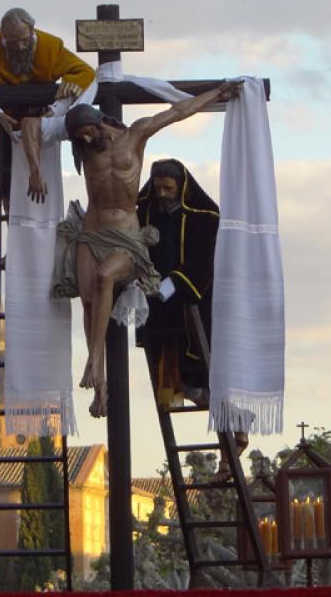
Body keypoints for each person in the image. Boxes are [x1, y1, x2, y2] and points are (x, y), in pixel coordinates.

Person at [52, 81, 242, 417]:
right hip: (92, 233)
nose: (85, 141)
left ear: (99, 123)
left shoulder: (136, 135)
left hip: (125, 235)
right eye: (79, 138)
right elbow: (34, 129)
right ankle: (100, 388)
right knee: (88, 301)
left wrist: (218, 93)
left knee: (104, 277)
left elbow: (178, 112)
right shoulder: (84, 148)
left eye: (87, 133)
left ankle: (93, 360)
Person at [135, 159, 248, 471]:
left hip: (192, 307)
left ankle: (234, 430)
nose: (162, 194)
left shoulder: (205, 216)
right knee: (174, 381)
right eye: (158, 187)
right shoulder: (144, 211)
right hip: (157, 312)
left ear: (182, 186)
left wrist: (169, 286)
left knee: (200, 377)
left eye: (168, 188)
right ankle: (237, 423)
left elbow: (203, 261)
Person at [0, 8, 96, 205]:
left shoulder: (51, 46)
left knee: (48, 177)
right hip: (10, 123)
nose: (20, 47)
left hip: (44, 120)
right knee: (8, 173)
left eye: (24, 40)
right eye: (13, 42)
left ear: (32, 30)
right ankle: (8, 204)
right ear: (2, 35)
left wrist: (56, 110)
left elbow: (84, 73)